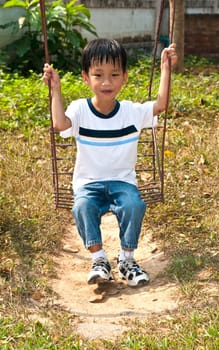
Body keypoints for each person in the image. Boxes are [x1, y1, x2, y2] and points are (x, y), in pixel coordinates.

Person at [43, 38, 177, 287]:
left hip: (122, 182)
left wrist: (166, 69)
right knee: (82, 206)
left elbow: (161, 105)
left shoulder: (131, 111)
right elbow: (60, 125)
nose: (107, 82)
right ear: (86, 77)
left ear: (124, 77)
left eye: (114, 74)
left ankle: (126, 259)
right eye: (99, 74)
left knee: (134, 204)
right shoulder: (80, 110)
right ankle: (99, 259)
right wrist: (55, 89)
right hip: (88, 184)